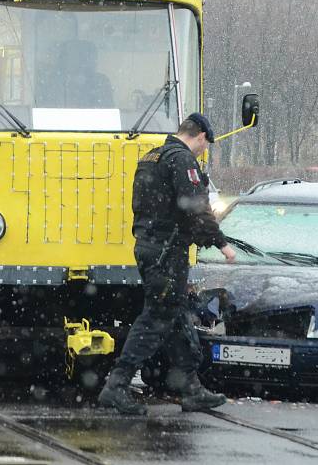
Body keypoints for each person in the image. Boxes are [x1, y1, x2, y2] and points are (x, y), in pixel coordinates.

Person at [98, 113, 236, 415]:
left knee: (174, 314)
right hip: (167, 252)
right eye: (205, 144)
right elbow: (195, 207)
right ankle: (116, 386)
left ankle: (191, 387)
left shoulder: (151, 157)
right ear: (199, 136)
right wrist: (221, 242)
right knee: (156, 317)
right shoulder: (181, 160)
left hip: (150, 247)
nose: (203, 150)